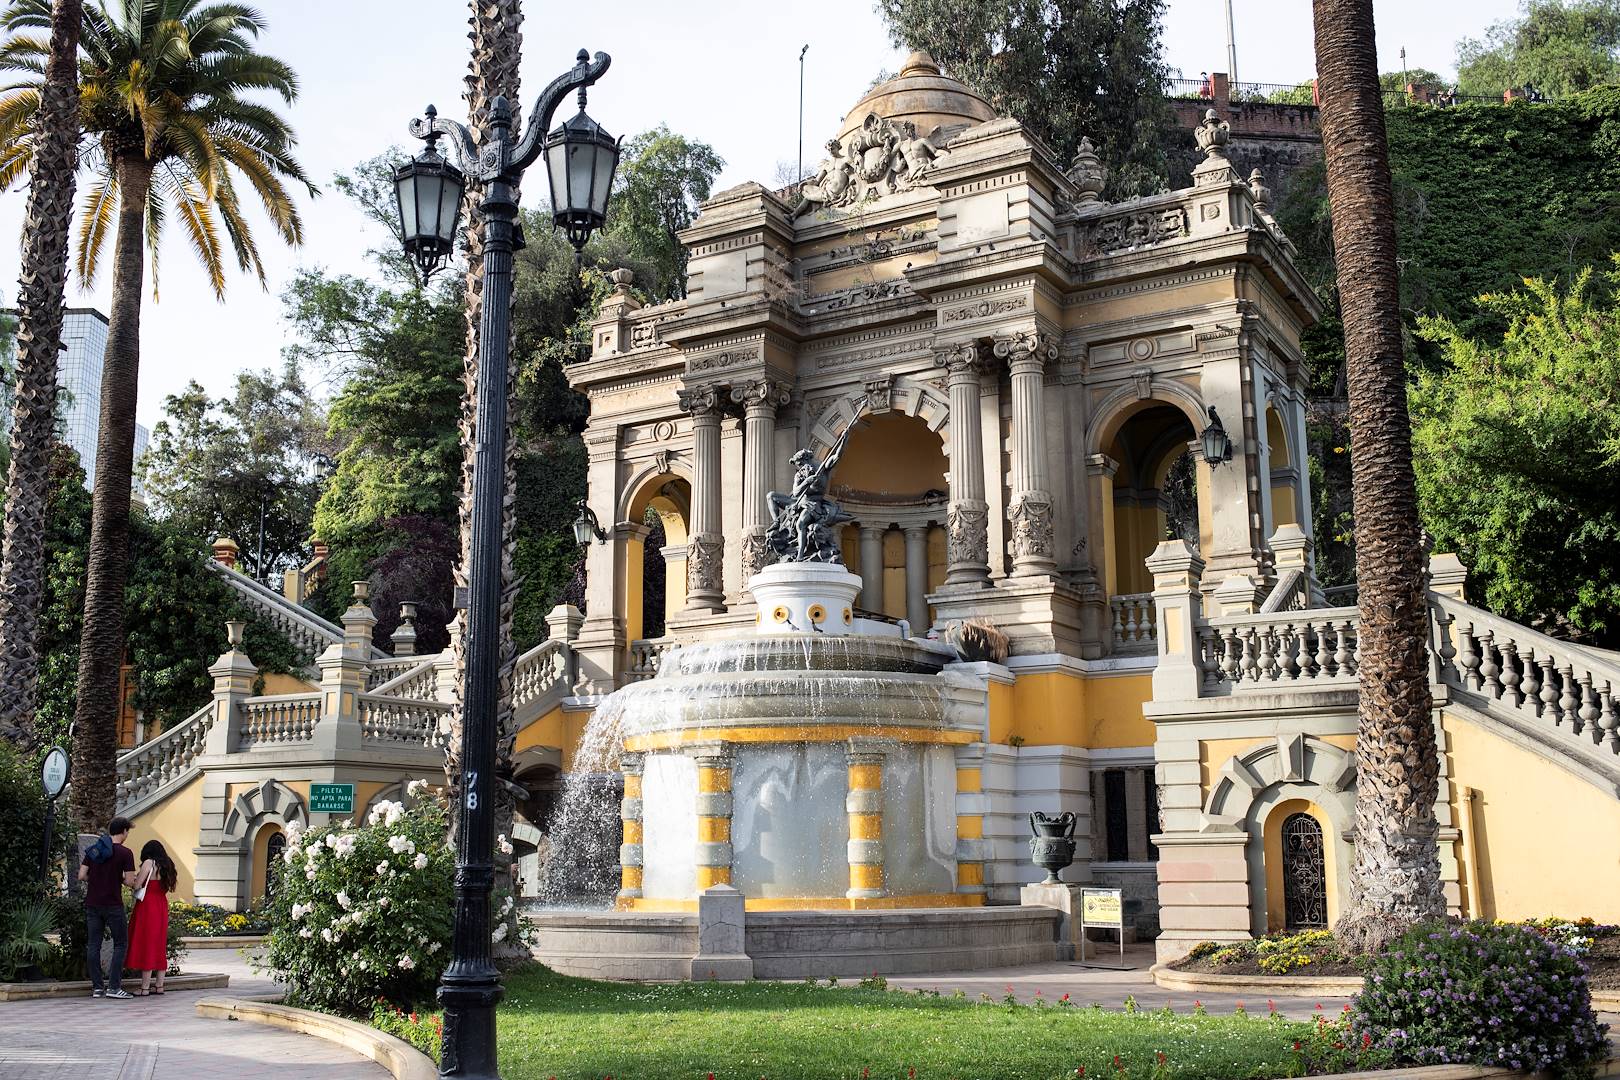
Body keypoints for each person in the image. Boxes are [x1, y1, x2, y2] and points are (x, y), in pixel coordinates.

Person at [78, 816, 136, 999]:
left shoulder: (95, 849)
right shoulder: (125, 853)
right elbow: (129, 881)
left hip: (93, 903)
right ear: (124, 831)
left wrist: (96, 880)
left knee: (93, 944)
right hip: (113, 904)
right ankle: (113, 987)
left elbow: (81, 875)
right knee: (120, 944)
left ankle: (97, 988)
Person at [126, 840, 176, 995]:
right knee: (159, 944)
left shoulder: (149, 863)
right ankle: (159, 986)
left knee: (146, 942)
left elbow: (137, 885)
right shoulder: (168, 864)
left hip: (147, 905)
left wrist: (126, 880)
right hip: (161, 905)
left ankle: (144, 988)